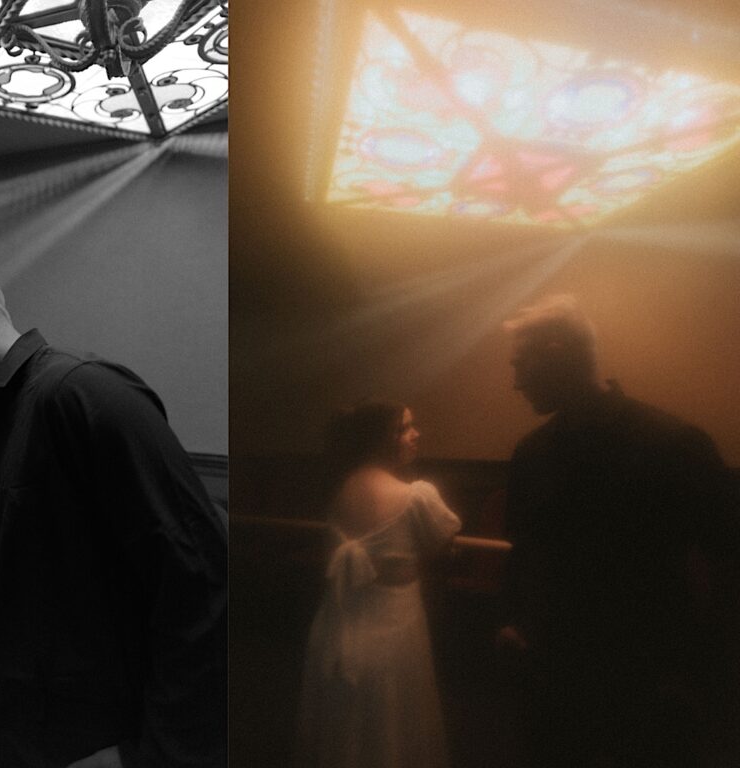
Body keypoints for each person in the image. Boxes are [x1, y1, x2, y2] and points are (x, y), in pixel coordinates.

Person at [0, 253, 228, 768]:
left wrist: (149, 756)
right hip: (22, 728)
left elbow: (199, 574)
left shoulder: (86, 392)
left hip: (92, 734)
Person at [497, 294, 740, 768]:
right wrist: (511, 620)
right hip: (554, 679)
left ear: (556, 349)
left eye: (520, 363)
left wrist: (707, 678)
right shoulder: (531, 451)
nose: (515, 382)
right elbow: (525, 552)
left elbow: (730, 555)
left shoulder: (673, 443)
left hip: (650, 685)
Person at [294, 400, 461, 768]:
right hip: (392, 630)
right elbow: (443, 547)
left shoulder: (341, 491)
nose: (416, 434)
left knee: (346, 726)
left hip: (336, 628)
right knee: (395, 721)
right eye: (406, 427)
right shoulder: (416, 495)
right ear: (384, 438)